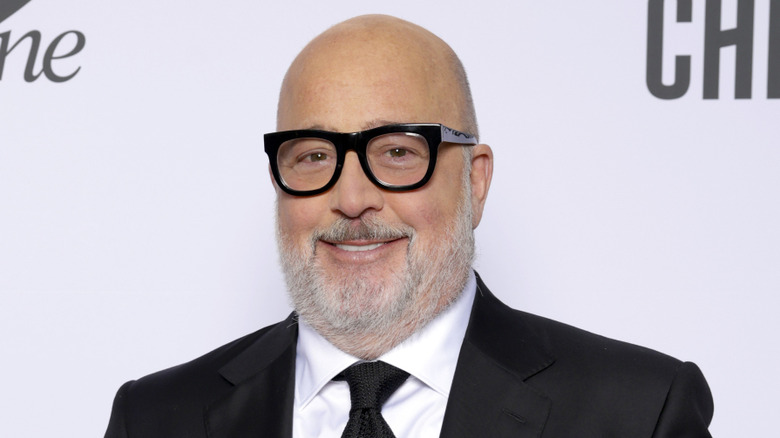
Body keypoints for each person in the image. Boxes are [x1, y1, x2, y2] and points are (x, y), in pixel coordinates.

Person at [104, 14, 713, 438]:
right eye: (313, 156)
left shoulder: (638, 412)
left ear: (474, 181)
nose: (351, 197)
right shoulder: (157, 418)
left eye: (398, 152)